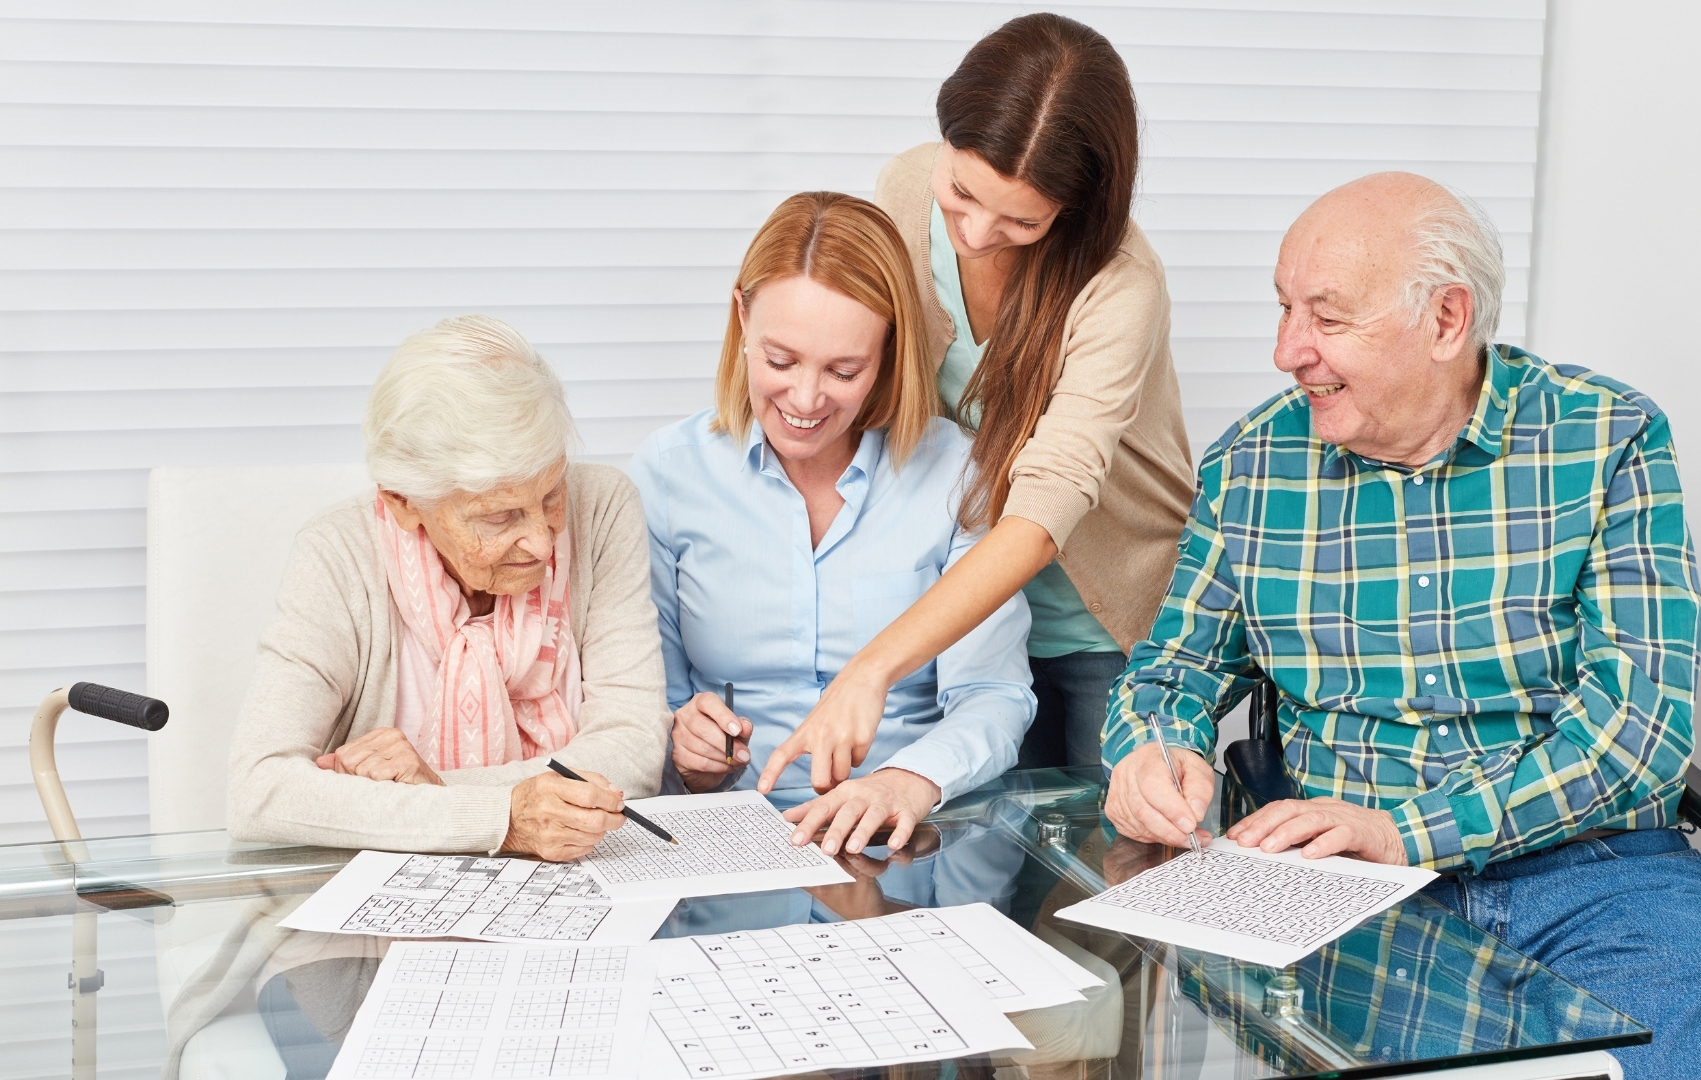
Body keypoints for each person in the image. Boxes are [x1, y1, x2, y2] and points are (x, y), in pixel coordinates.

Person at [1101, 173, 1701, 1077]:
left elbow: (1637, 733)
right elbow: (1171, 670)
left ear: (1448, 319)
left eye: (1326, 319)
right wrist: (1151, 749)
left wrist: (1406, 831)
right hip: (1350, 899)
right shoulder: (1252, 463)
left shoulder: (1606, 438)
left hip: (1597, 882)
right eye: (1285, 309)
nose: (1288, 350)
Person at [757, 13, 1195, 791]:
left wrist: (874, 665)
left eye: (1022, 220)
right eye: (961, 191)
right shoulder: (904, 187)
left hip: (1101, 618)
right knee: (986, 873)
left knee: (1110, 878)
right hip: (959, 618)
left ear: (1077, 207)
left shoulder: (1122, 283)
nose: (978, 233)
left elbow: (1046, 503)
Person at [628, 191, 1035, 857]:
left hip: (907, 843)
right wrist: (685, 745)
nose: (807, 400)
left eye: (845, 371)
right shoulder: (669, 477)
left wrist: (907, 781)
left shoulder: (956, 474)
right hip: (730, 848)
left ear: (887, 354)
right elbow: (649, 708)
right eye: (780, 361)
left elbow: (993, 696)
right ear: (741, 318)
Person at [228, 314, 669, 863]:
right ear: (403, 502)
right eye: (499, 517)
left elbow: (633, 750)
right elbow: (259, 790)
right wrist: (500, 819)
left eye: (551, 493)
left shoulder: (602, 508)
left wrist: (433, 792)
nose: (540, 540)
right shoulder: (337, 554)